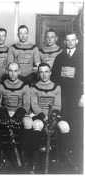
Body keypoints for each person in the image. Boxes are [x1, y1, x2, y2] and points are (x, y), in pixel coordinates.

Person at [22, 63, 70, 173]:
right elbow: (34, 105)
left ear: (50, 73)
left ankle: (62, 157)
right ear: (38, 73)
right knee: (37, 125)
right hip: (40, 116)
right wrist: (43, 116)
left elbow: (58, 105)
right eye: (41, 72)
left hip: (53, 116)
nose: (44, 75)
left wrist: (52, 118)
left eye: (46, 72)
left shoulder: (57, 87)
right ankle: (34, 160)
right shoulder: (33, 88)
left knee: (64, 126)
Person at [0, 62, 30, 170]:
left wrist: (18, 115)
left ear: (19, 72)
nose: (13, 74)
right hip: (4, 112)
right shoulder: (1, 85)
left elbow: (26, 105)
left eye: (15, 71)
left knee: (29, 123)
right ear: (7, 72)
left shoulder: (25, 86)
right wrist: (3, 113)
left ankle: (24, 154)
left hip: (19, 112)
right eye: (10, 71)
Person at [51, 32, 83, 172]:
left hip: (77, 98)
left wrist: (83, 95)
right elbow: (54, 77)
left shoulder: (82, 57)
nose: (70, 42)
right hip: (63, 97)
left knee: (77, 126)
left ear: (77, 41)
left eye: (73, 40)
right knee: (63, 124)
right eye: (68, 40)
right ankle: (62, 155)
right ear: (64, 42)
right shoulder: (60, 57)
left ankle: (76, 156)